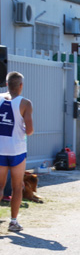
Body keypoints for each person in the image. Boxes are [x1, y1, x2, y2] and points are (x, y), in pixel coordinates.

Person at [0, 71, 34, 232]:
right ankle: (13, 222)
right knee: (16, 186)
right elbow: (30, 130)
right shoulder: (25, 103)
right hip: (17, 150)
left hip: (0, 149)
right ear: (21, 86)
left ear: (6, 84)